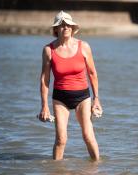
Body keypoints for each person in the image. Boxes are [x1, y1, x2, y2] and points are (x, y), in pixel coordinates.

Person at [38, 11, 102, 161]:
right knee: (61, 139)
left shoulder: (84, 46)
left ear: (73, 28)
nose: (65, 27)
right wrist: (44, 106)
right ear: (56, 30)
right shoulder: (48, 50)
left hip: (82, 97)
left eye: (68, 24)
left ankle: (97, 167)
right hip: (60, 98)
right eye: (61, 25)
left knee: (88, 135)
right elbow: (44, 80)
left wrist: (96, 99)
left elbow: (93, 74)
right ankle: (56, 173)